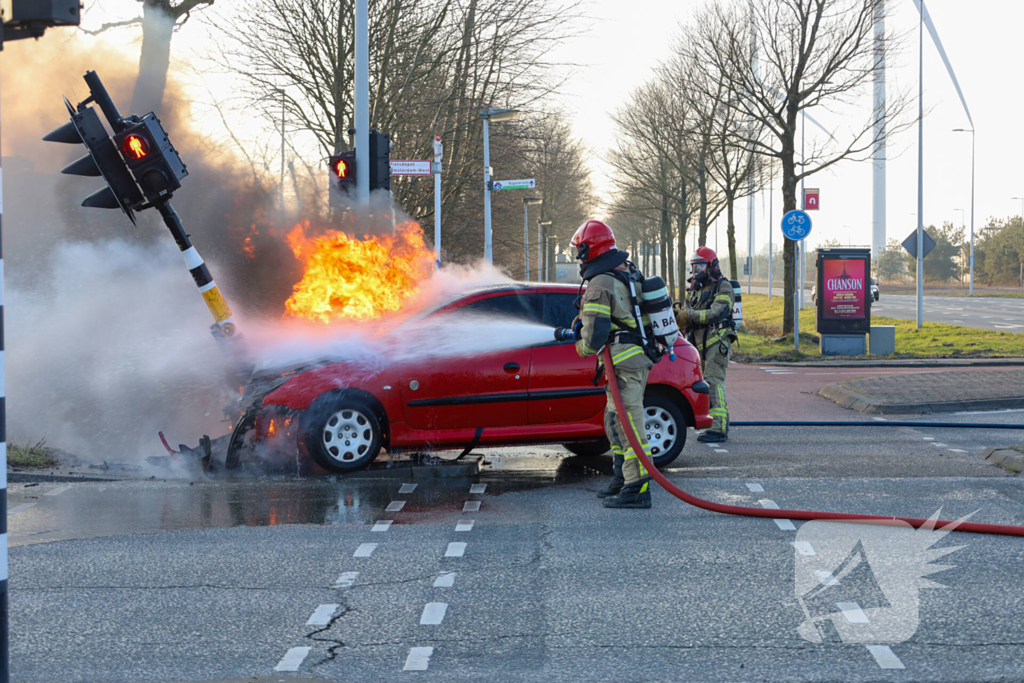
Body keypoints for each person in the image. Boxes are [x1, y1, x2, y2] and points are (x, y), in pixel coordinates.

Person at [569, 219, 655, 509]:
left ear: (589, 250)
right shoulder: (626, 272)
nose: (578, 258)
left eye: (579, 251)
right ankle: (622, 478)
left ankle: (637, 487)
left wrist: (581, 347)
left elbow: (594, 337)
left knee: (629, 426)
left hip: (624, 365)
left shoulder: (600, 282)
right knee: (615, 423)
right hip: (628, 362)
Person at [675, 246, 736, 443]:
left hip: (717, 341)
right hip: (700, 343)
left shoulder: (723, 287)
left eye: (700, 266)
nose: (696, 271)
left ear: (712, 266)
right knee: (709, 382)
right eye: (694, 267)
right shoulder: (695, 289)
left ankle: (717, 429)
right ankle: (721, 424)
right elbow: (691, 313)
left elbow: (716, 313)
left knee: (713, 381)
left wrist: (689, 315)